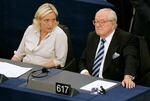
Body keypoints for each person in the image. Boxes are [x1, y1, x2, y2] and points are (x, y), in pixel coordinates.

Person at [79, 8, 138, 89]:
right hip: (90, 83)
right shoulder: (92, 36)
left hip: (111, 84)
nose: (98, 25)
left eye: (102, 22)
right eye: (96, 21)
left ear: (113, 24)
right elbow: (83, 60)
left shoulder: (125, 38)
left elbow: (130, 58)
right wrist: (85, 72)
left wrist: (128, 77)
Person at [11, 3, 68, 68]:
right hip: (25, 69)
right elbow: (18, 55)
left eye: (53, 20)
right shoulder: (30, 29)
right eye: (46, 20)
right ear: (39, 20)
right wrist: (10, 66)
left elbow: (60, 61)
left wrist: (38, 69)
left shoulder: (59, 34)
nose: (51, 24)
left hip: (45, 72)